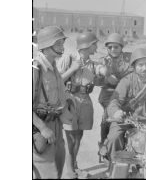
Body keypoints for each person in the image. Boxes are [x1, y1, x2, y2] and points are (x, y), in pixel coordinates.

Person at [57, 32, 108, 179]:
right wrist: (72, 69)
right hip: (70, 100)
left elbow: (99, 78)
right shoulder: (69, 58)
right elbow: (58, 80)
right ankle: (69, 171)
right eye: (95, 44)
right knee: (70, 138)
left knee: (79, 137)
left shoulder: (92, 63)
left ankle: (74, 167)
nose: (96, 47)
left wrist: (103, 73)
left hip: (85, 100)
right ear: (87, 45)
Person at [105, 48, 146, 176]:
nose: (144, 68)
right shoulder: (126, 81)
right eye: (140, 65)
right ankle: (112, 168)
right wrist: (116, 112)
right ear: (134, 66)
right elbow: (114, 102)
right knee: (114, 138)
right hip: (127, 121)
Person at [33, 26, 71, 179]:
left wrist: (67, 107)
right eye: (58, 44)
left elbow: (59, 94)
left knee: (59, 165)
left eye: (62, 43)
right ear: (46, 46)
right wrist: (42, 128)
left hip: (56, 127)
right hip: (41, 128)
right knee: (49, 174)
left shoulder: (53, 66)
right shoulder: (35, 69)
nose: (62, 47)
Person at [97, 33, 133, 159]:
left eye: (116, 47)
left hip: (125, 95)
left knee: (128, 119)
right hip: (108, 94)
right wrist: (105, 75)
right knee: (108, 117)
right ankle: (104, 145)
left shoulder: (129, 58)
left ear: (121, 47)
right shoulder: (103, 60)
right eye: (110, 47)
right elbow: (96, 78)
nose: (113, 49)